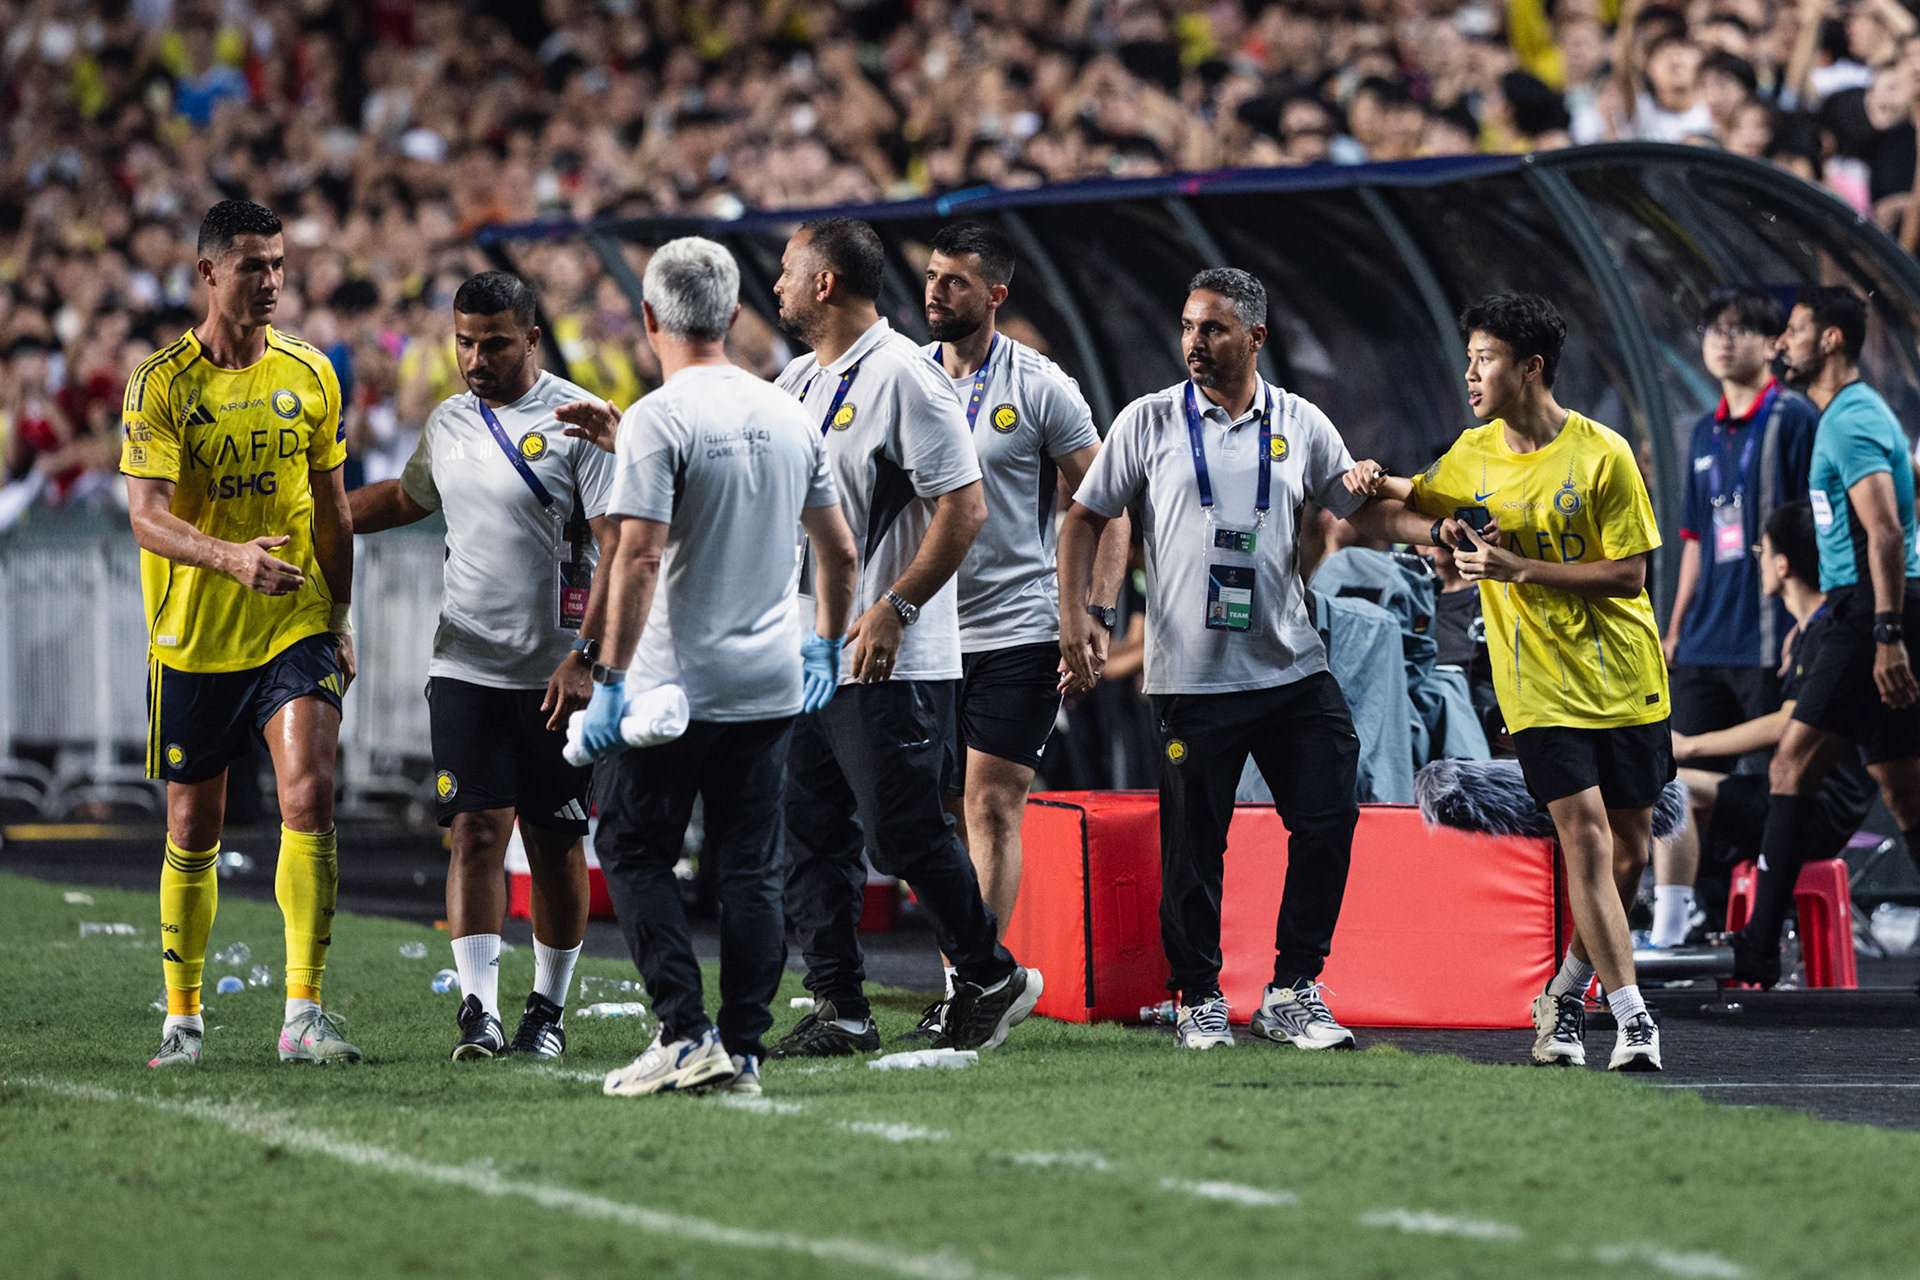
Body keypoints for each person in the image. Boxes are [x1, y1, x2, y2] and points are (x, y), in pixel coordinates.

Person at [1058, 267, 1446, 1053]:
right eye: (1188, 327)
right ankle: (1198, 995)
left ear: (1255, 338)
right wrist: (1082, 618)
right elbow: (1084, 518)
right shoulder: (1148, 420)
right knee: (1196, 847)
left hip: (1293, 668)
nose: (1194, 344)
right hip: (1193, 678)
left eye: (1213, 330)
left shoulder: (1300, 421)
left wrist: (1441, 533)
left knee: (1331, 816)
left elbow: (1365, 514)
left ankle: (1293, 988)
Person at [560, 238, 860, 1097]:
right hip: (770, 681)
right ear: (732, 318)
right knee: (750, 868)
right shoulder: (788, 411)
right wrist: (825, 643)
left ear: (650, 318)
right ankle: (744, 1049)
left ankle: (686, 1033)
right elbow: (837, 551)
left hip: (671, 687)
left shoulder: (660, 416)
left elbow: (640, 559)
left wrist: (609, 677)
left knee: (632, 844)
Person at [1351, 292, 1670, 1072]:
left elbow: (1630, 573)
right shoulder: (1473, 453)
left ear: (1530, 368)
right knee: (1585, 837)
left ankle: (1564, 994)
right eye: (1469, 359)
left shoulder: (1604, 455)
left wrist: (1518, 566)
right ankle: (1632, 1017)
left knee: (1629, 850)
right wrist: (1373, 479)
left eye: (1485, 359)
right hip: (1536, 687)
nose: (1470, 373)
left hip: (1624, 677)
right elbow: (1411, 499)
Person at [770, 216, 1041, 1056]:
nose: (775, 284)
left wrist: (896, 605)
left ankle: (988, 973)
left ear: (825, 283)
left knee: (902, 834)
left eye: (787, 270)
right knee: (809, 833)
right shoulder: (794, 384)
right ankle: (841, 1006)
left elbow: (966, 509)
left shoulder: (904, 380)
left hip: (892, 659)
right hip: (811, 656)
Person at [347, 272, 614, 1060]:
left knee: (556, 840)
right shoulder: (450, 421)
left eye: (493, 342)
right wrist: (312, 513)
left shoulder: (578, 420)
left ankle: (548, 1011)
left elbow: (620, 544)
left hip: (556, 671)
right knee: (472, 832)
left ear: (531, 338)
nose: (474, 358)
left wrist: (587, 656)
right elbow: (405, 499)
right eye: (464, 341)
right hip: (464, 664)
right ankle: (480, 1012)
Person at [122, 199, 360, 1068]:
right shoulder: (161, 385)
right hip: (194, 633)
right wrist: (229, 559)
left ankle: (304, 1013)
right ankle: (183, 1020)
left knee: (310, 792)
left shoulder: (312, 373)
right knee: (192, 827)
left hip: (292, 620)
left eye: (279, 265)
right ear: (209, 273)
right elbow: (146, 519)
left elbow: (332, 512)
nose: (270, 282)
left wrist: (337, 616)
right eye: (253, 265)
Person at [902, 220, 1128, 1041]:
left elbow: (1105, 506)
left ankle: (971, 989)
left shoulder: (1040, 386)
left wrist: (1095, 615)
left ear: (994, 295)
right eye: (930, 277)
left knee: (991, 802)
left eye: (955, 281)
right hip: (921, 632)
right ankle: (975, 974)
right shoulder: (903, 378)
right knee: (924, 819)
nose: (935, 292)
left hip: (1018, 628)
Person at [1731, 287, 1920, 987]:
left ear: (1832, 340)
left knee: (1790, 765)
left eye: (1795, 330)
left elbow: (1887, 532)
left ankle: (1754, 953)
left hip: (1874, 608)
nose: (1781, 343)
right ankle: (1755, 947)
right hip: (1862, 607)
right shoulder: (1849, 417)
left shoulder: (1850, 420)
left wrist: (1887, 632)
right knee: (1903, 791)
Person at [1658, 287, 1819, 948]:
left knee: (1762, 791)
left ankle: (1760, 920)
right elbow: (1696, 537)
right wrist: (1674, 628)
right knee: (1679, 793)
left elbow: (1813, 526)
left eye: (1740, 330)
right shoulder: (1702, 428)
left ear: (1769, 342)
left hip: (1768, 641)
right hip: (1702, 644)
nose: (1724, 342)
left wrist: (1807, 622)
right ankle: (1686, 918)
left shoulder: (1794, 418)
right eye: (1714, 330)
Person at [1670, 502, 1875, 951]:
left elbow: (1787, 723)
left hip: (1817, 810)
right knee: (1666, 796)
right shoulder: (1808, 631)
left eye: (1761, 550)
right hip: (1791, 797)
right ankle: (1678, 916)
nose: (1756, 558)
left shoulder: (1829, 632)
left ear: (1782, 565)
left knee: (1672, 789)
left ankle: (1670, 928)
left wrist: (1690, 747)